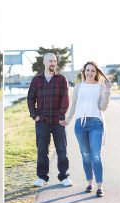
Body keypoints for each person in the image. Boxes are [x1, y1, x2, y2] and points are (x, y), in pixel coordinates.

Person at [61, 61, 112, 197]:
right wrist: (68, 120)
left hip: (96, 124)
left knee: (96, 155)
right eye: (88, 70)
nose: (90, 73)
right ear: (84, 71)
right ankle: (89, 183)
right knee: (85, 155)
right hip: (80, 125)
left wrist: (107, 93)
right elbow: (74, 106)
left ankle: (99, 186)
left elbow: (103, 107)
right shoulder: (78, 86)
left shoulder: (101, 87)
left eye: (93, 71)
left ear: (96, 73)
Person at [27, 53, 73, 187]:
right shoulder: (36, 80)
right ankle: (42, 177)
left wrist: (61, 116)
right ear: (44, 62)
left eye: (54, 61)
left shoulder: (61, 79)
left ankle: (64, 176)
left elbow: (65, 99)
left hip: (58, 121)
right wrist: (34, 115)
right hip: (42, 121)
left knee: (62, 150)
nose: (53, 63)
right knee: (42, 150)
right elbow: (30, 98)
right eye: (50, 61)